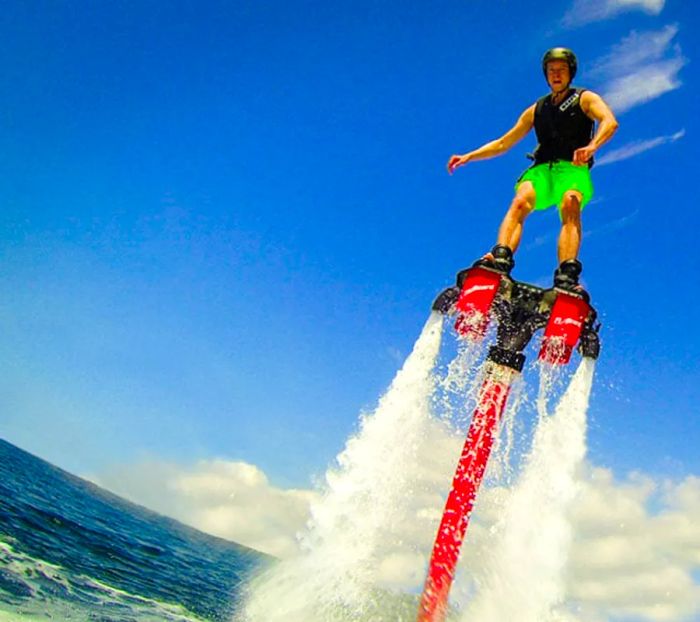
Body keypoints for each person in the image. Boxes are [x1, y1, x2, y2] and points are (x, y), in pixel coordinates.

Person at [447, 47, 619, 291]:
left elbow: (610, 122)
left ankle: (567, 275)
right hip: (541, 169)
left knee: (571, 202)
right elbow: (503, 143)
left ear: (570, 73)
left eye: (561, 70)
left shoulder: (585, 98)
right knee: (520, 200)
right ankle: (500, 259)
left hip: (572, 168)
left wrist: (592, 146)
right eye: (551, 71)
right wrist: (469, 156)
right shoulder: (537, 109)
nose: (556, 75)